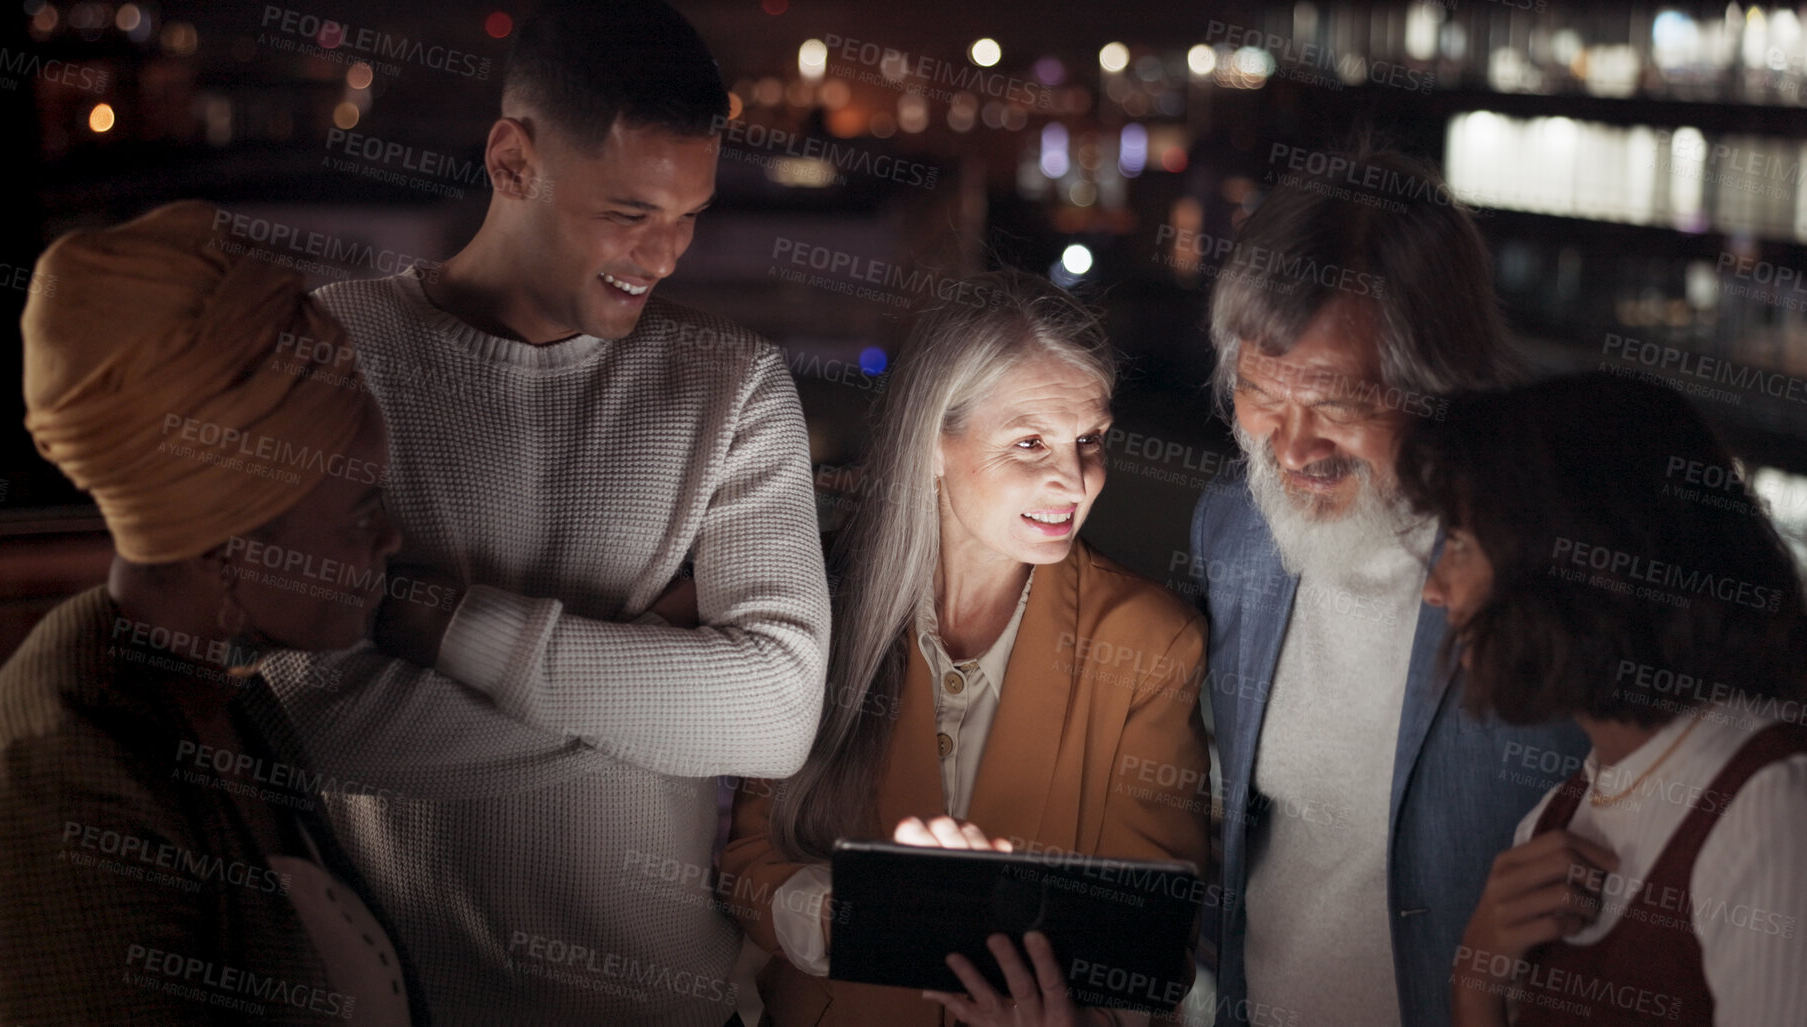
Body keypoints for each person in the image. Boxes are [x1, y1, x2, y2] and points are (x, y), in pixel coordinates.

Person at [251, 2, 831, 1024]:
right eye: (629, 212)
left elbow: (775, 715)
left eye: (689, 215)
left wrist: (440, 624)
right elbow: (308, 719)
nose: (666, 255)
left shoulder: (733, 387)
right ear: (512, 161)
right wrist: (651, 682)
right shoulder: (335, 353)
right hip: (405, 1009)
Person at [0, 201, 424, 1025]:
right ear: (231, 545)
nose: (392, 537)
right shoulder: (55, 797)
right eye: (360, 510)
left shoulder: (224, 704)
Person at [722, 270, 1210, 1027]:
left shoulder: (1151, 641)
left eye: (1090, 440)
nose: (1073, 479)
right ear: (932, 445)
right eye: (1029, 442)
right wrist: (856, 910)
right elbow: (747, 867)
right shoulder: (816, 603)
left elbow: (1150, 940)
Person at [1187, 149, 1588, 1027]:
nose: (1292, 447)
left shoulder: (1550, 560)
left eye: (1336, 402)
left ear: (1439, 380)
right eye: (1259, 393)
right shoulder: (1235, 528)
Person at [1390, 373, 1807, 1026]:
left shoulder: (1770, 810)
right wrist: (1474, 980)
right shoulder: (1556, 814)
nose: (1435, 589)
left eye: (1463, 546)